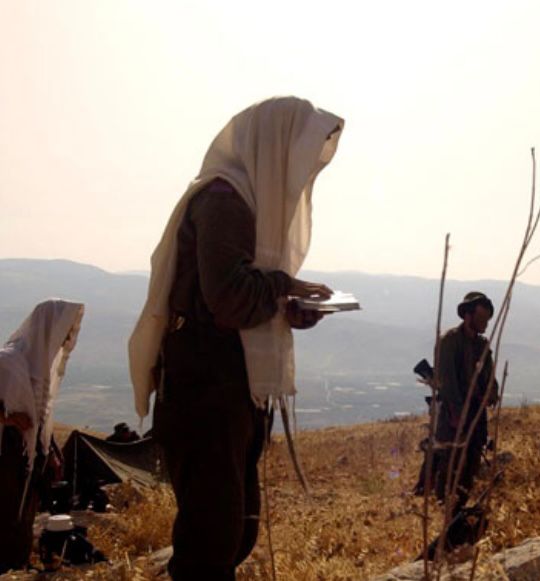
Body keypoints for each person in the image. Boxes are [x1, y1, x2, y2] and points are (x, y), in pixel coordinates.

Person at [128, 97, 344, 581]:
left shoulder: (246, 203)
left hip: (226, 392)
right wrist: (283, 286)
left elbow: (237, 298)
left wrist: (288, 310)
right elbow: (228, 299)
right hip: (206, 392)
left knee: (234, 533)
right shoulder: (224, 199)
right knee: (211, 544)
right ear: (273, 147)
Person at [0, 300, 83, 573]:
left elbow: (40, 418)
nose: (68, 339)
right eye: (65, 331)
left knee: (19, 524)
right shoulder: (8, 362)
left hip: (24, 460)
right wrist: (8, 419)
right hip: (5, 455)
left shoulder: (39, 368)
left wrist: (51, 451)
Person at [429, 291, 499, 511]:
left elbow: (490, 377)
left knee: (472, 459)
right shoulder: (449, 341)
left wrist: (492, 393)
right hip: (454, 412)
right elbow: (447, 381)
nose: (485, 323)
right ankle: (444, 505)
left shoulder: (482, 345)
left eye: (487, 319)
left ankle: (461, 505)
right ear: (467, 315)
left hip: (477, 412)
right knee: (452, 459)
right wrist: (457, 413)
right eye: (481, 318)